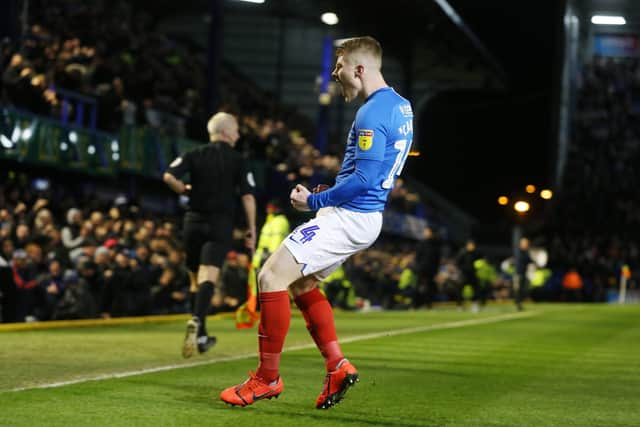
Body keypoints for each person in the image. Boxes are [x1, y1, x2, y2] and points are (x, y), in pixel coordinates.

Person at [220, 36, 414, 409]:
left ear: (360, 69)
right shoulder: (401, 106)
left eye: (340, 66)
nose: (335, 73)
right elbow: (368, 173)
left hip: (350, 215)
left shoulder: (371, 113)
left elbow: (366, 180)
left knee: (270, 277)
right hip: (364, 215)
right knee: (302, 283)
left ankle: (266, 379)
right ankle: (337, 365)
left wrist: (314, 200)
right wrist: (334, 190)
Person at [164, 111, 256, 358]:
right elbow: (247, 195)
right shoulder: (238, 160)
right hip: (219, 224)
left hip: (192, 221)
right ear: (226, 132)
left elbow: (168, 175)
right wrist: (252, 229)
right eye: (236, 129)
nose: (238, 134)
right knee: (209, 276)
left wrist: (182, 189)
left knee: (195, 278)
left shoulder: (195, 154)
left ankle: (201, 334)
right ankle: (197, 319)